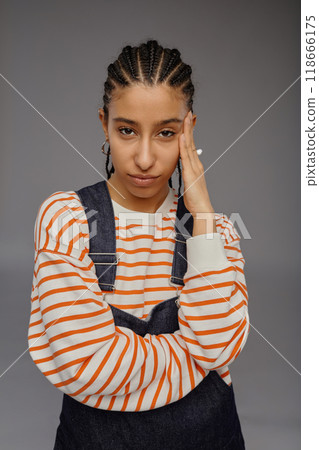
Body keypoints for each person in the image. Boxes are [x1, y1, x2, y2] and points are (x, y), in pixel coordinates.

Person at [28, 39, 250, 449]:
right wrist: (192, 353)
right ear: (103, 124)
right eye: (127, 130)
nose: (145, 158)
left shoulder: (217, 231)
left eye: (166, 133)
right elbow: (87, 365)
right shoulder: (66, 219)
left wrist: (200, 217)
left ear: (189, 129)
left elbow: (222, 346)